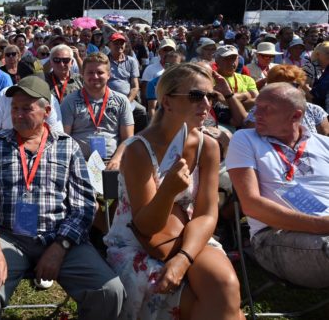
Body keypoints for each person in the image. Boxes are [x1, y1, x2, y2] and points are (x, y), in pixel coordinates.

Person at [0, 77, 124, 320]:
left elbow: (83, 205)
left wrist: (60, 247)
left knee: (110, 291)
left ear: (47, 111)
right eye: (14, 108)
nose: (17, 114)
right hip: (9, 238)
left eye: (26, 108)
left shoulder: (67, 146)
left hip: (61, 237)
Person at [104, 63, 243, 320]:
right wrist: (167, 193)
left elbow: (206, 214)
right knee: (203, 303)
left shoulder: (208, 146)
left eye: (210, 96)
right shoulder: (138, 149)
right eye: (195, 96)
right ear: (167, 102)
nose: (206, 103)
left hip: (192, 234)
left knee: (226, 286)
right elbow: (145, 226)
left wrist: (183, 258)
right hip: (139, 242)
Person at [226, 83, 329, 288]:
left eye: (267, 109)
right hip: (276, 235)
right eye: (257, 106)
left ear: (295, 116)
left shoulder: (323, 143)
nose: (256, 114)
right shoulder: (245, 139)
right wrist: (322, 225)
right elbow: (252, 205)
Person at [61, 53, 134, 167]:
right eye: (90, 72)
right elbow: (64, 138)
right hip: (79, 161)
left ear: (109, 75)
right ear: (82, 74)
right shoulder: (70, 101)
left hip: (111, 161)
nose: (95, 76)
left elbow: (128, 138)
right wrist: (77, 161)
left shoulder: (121, 101)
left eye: (100, 72)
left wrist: (117, 159)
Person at [243, 65, 329, 134]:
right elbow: (250, 139)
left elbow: (325, 142)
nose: (288, 90)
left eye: (294, 85)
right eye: (282, 85)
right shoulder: (259, 111)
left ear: (301, 86)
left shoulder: (314, 111)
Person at [0, 76, 64, 142]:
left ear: (47, 111)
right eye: (15, 108)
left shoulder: (65, 146)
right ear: (18, 78)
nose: (19, 115)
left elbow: (57, 132)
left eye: (27, 109)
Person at [214, 45, 258, 110]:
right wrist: (246, 95)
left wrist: (229, 101)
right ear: (217, 60)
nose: (232, 62)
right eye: (227, 58)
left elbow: (257, 101)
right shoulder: (209, 79)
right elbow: (219, 100)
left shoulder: (247, 79)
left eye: (234, 58)